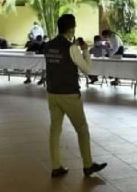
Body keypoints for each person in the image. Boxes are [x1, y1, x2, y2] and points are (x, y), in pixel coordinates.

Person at [45, 14, 107, 178]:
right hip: (69, 94)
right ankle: (88, 165)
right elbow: (87, 69)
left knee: (55, 130)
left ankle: (56, 166)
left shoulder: (48, 45)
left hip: (52, 93)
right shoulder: (72, 48)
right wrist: (85, 50)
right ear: (71, 28)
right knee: (82, 129)